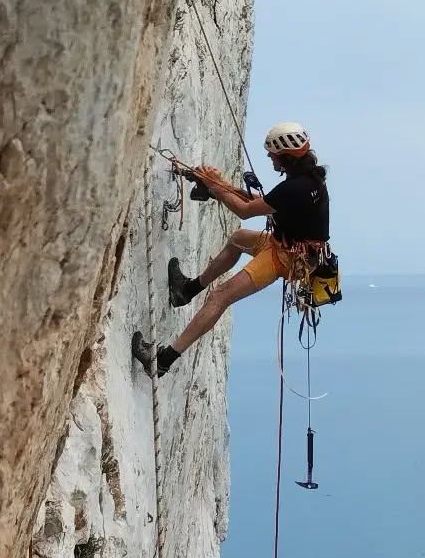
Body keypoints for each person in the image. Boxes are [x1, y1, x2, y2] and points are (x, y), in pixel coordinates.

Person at [132, 122, 330, 377]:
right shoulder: (309, 180)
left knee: (220, 296)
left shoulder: (296, 187)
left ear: (286, 156)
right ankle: (186, 290)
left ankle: (161, 361)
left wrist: (214, 186)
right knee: (238, 239)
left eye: (273, 154)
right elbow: (262, 203)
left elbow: (245, 211)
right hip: (289, 248)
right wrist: (219, 183)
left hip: (286, 258)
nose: (270, 157)